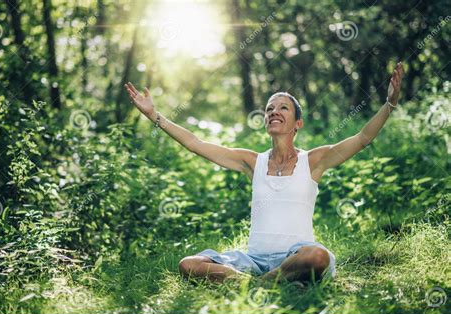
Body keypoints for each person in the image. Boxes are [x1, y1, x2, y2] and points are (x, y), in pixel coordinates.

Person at [124, 61, 405, 284]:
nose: (274, 112)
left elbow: (362, 138)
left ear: (298, 123)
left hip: (296, 255)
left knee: (317, 255)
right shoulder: (252, 161)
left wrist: (389, 104)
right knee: (189, 264)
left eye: (283, 108)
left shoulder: (314, 161)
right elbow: (196, 144)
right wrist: (154, 116)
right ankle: (270, 282)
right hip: (253, 260)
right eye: (270, 108)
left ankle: (259, 284)